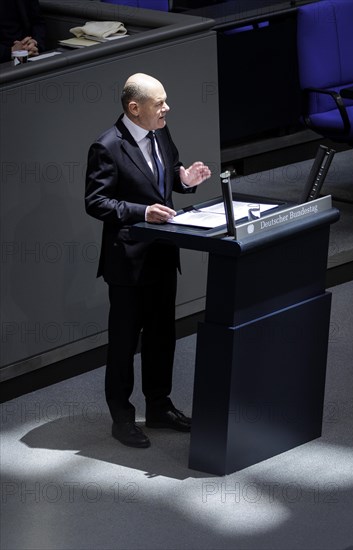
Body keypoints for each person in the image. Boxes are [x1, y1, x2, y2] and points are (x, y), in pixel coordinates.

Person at [85, 73, 211, 448]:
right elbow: (97, 202)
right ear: (134, 108)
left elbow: (168, 175)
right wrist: (142, 212)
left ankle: (158, 406)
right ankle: (121, 417)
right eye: (160, 103)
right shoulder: (106, 147)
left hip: (162, 254)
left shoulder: (160, 133)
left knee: (162, 337)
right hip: (127, 262)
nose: (167, 108)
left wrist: (185, 180)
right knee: (124, 343)